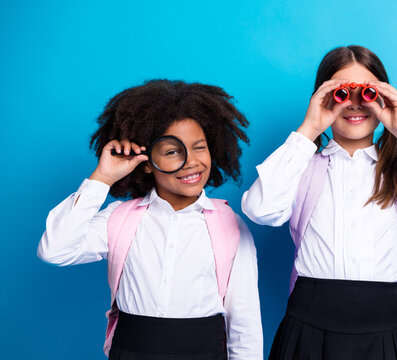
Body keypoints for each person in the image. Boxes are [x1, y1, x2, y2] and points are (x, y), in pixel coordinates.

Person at [242, 45, 397, 359]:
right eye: (341, 92)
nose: (355, 104)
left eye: (366, 92)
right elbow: (260, 210)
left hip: (390, 325)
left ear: (383, 96)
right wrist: (309, 130)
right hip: (309, 325)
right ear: (322, 98)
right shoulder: (300, 167)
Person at [38, 80, 263, 360]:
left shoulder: (230, 225)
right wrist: (103, 178)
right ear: (146, 161)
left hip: (204, 351)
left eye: (199, 147)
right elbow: (54, 250)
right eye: (172, 151)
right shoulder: (119, 219)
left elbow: (244, 320)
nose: (191, 161)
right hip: (130, 350)